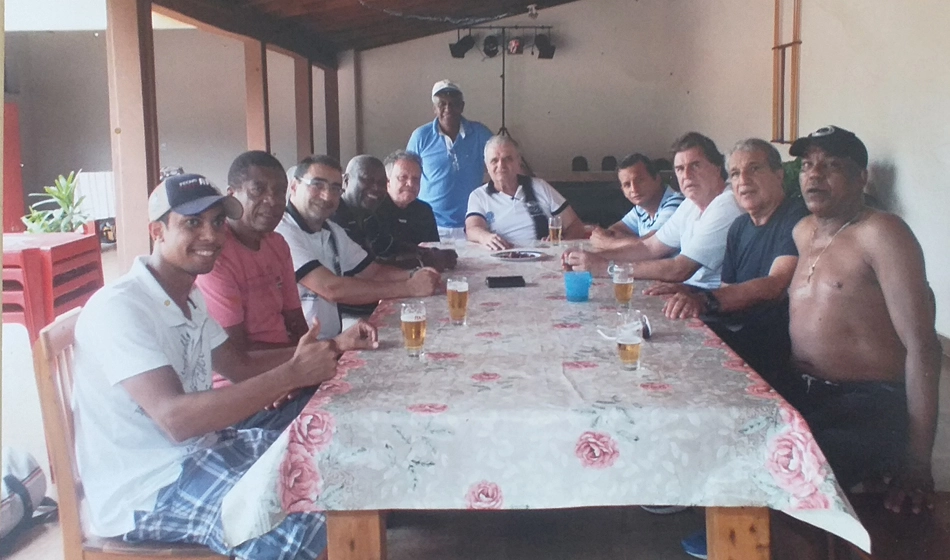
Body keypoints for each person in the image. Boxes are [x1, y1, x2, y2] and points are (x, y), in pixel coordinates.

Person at [70, 173, 378, 559]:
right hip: (149, 488)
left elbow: (241, 365)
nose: (211, 236)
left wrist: (333, 346)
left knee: (338, 461)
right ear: (157, 231)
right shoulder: (120, 308)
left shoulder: (187, 295)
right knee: (298, 520)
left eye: (217, 222)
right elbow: (176, 419)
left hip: (207, 450)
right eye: (192, 223)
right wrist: (294, 373)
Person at [785, 125, 941, 510]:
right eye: (807, 165)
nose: (814, 175)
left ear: (861, 177)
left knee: (791, 471)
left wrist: (918, 463)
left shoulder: (882, 232)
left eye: (831, 165)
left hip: (868, 402)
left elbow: (923, 345)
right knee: (738, 438)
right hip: (805, 392)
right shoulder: (803, 231)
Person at [655, 139, 808, 383]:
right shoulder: (740, 226)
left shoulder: (797, 218)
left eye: (754, 169)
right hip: (739, 334)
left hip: (770, 350)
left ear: (779, 175)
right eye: (735, 173)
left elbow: (775, 284)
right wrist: (685, 289)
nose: (743, 180)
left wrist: (703, 300)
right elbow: (727, 293)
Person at [275, 155, 441, 340]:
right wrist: (409, 288)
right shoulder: (282, 232)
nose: (327, 195)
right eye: (317, 185)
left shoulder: (332, 230)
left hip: (332, 337)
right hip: (296, 349)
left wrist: (418, 274)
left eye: (335, 188)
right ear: (294, 187)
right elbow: (331, 288)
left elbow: (372, 271)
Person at [564, 132, 744, 290]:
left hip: (712, 302)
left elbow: (679, 268)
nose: (686, 175)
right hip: (687, 290)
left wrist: (605, 267)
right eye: (680, 169)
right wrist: (589, 258)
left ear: (717, 167)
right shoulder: (690, 204)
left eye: (695, 165)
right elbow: (649, 247)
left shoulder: (726, 204)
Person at [196, 151, 308, 353]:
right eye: (258, 190)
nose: (272, 201)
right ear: (232, 195)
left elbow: (295, 318)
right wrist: (309, 352)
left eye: (280, 192)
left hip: (289, 363)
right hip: (246, 377)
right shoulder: (216, 256)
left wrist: (314, 352)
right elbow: (237, 352)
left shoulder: (277, 244)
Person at [407, 79, 493, 240]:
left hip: (474, 225)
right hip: (430, 225)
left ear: (462, 106)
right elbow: (407, 175)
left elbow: (499, 165)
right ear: (434, 108)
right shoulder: (420, 136)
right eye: (442, 104)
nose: (448, 108)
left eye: (454, 103)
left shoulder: (480, 133)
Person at [465, 135, 586, 249]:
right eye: (494, 160)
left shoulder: (539, 186)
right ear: (487, 166)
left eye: (508, 159)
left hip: (544, 258)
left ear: (518, 162)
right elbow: (472, 229)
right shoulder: (479, 196)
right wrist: (485, 237)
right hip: (501, 258)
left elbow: (575, 225)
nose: (501, 165)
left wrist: (561, 242)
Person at [375, 150, 458, 270]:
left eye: (416, 179)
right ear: (387, 182)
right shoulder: (374, 210)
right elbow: (380, 259)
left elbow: (433, 249)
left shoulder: (424, 211)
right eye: (403, 177)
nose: (410, 183)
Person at [589, 153, 684, 249]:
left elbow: (652, 245)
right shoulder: (641, 209)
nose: (634, 189)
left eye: (640, 181)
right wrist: (636, 241)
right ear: (623, 191)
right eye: (627, 185)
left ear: (657, 179)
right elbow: (613, 231)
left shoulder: (676, 202)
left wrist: (609, 243)